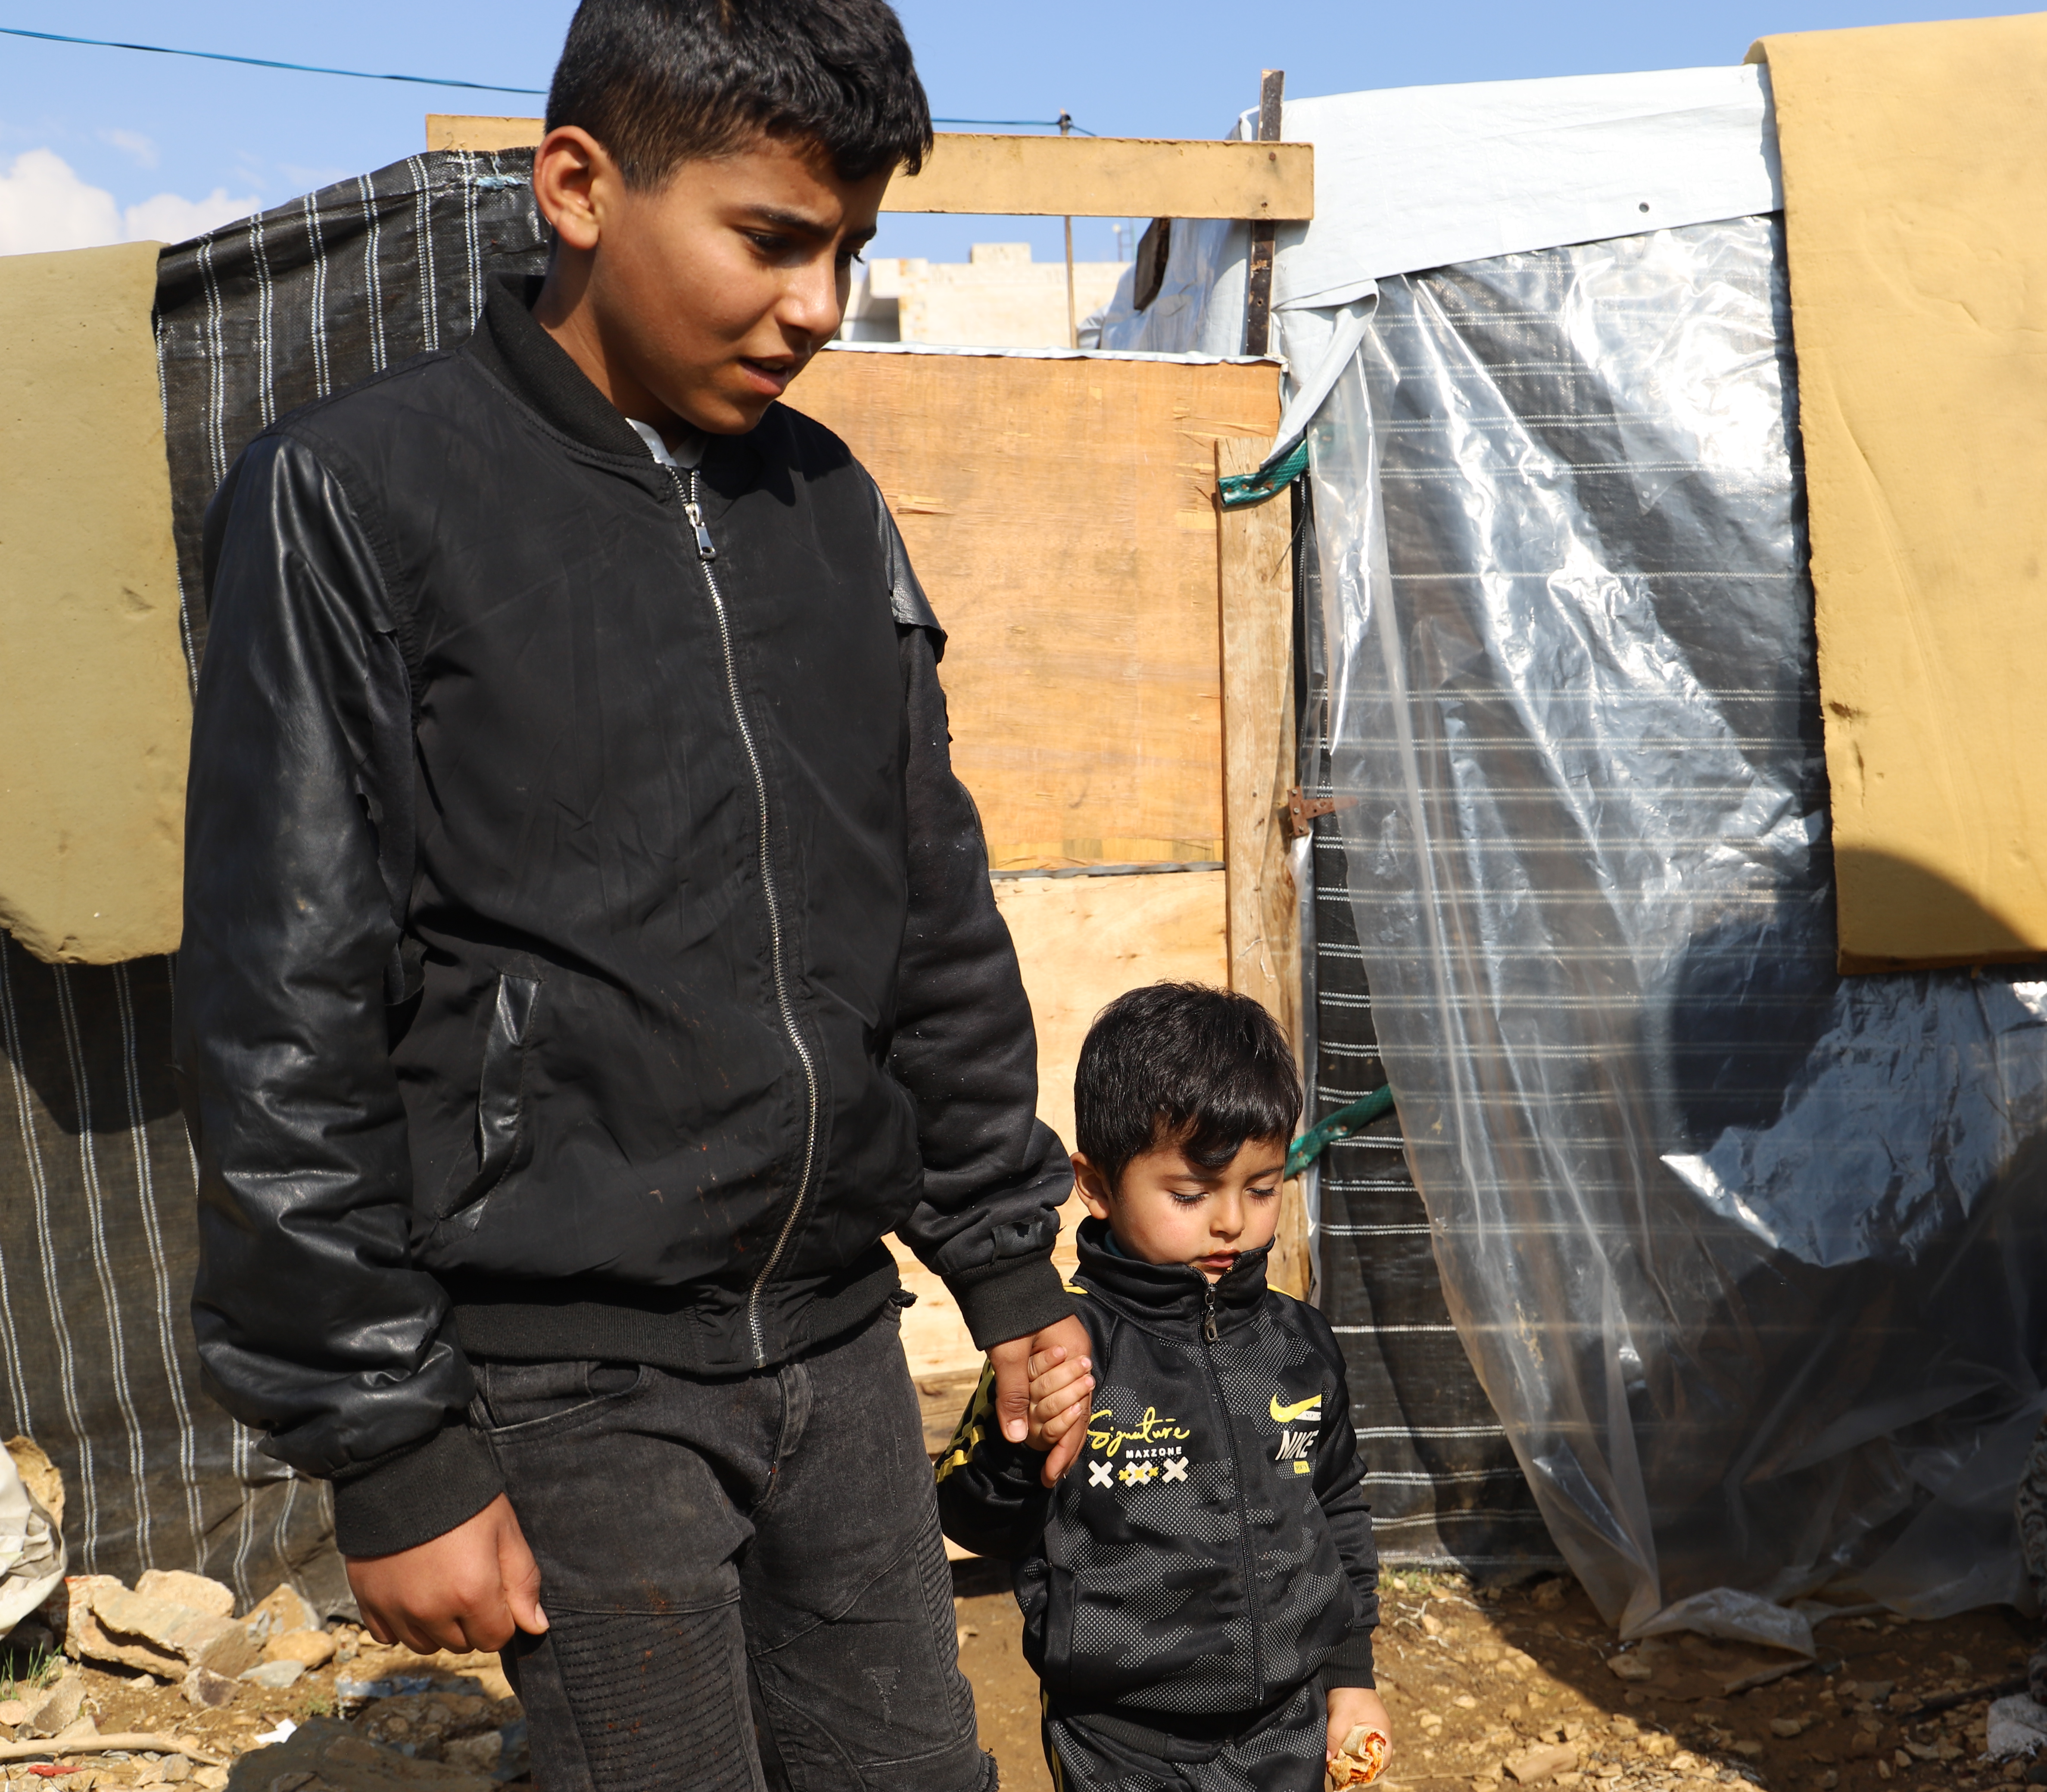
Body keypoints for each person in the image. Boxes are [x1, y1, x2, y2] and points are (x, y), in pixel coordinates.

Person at [175, 3, 1094, 1786]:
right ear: (582, 186)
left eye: (851, 249)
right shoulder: (358, 498)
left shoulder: (830, 505)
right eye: (773, 238)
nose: (821, 304)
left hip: (833, 1334)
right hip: (561, 1370)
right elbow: (282, 1006)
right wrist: (392, 1439)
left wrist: (1004, 1257)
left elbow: (932, 907)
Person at [936, 983, 1392, 1792]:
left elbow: (1341, 1510)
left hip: (1288, 1723)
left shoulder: (1300, 1345)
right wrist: (1029, 1444)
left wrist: (1350, 1678)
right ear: (1098, 1183)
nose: (1231, 1223)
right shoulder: (1065, 1347)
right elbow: (967, 1515)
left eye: (1262, 1188)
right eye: (1190, 1194)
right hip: (1122, 1743)